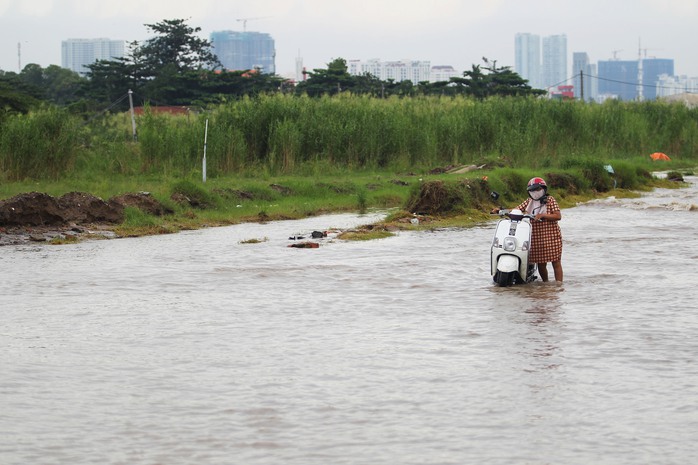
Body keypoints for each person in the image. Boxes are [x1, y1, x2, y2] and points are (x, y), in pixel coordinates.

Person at [492, 177, 563, 282]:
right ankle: (546, 285)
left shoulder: (550, 200)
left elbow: (558, 216)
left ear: (544, 189)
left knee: (555, 262)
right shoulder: (529, 201)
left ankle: (558, 286)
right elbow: (516, 210)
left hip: (551, 236)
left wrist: (543, 215)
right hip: (536, 237)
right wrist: (502, 211)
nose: (535, 192)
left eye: (538, 189)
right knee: (541, 264)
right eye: (532, 190)